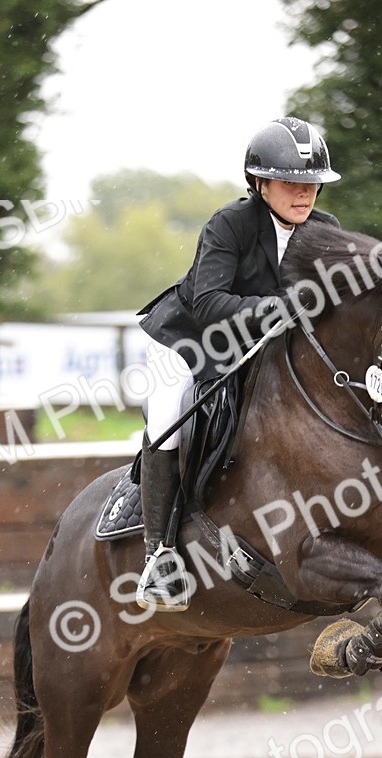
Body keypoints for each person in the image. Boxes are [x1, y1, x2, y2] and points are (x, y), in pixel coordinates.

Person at [134, 115, 342, 612]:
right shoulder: (229, 224)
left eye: (312, 183)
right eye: (292, 182)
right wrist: (275, 308)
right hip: (190, 341)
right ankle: (159, 553)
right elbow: (207, 302)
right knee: (168, 417)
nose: (305, 193)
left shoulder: (326, 230)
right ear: (259, 183)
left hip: (263, 346)